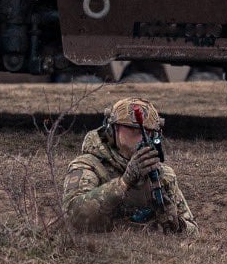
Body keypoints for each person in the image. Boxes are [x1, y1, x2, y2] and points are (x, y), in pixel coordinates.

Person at [62, 97, 197, 233]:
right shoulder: (89, 166)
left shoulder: (163, 174)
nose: (142, 138)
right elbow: (74, 218)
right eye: (133, 130)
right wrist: (124, 182)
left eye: (148, 132)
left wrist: (178, 226)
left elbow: (194, 231)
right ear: (112, 129)